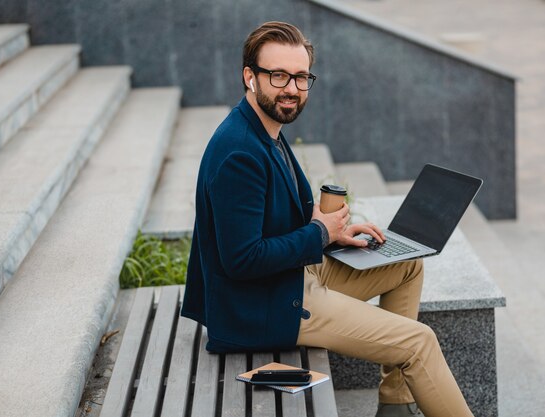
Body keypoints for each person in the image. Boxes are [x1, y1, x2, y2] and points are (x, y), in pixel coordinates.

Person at [181, 21, 474, 417]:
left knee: (407, 265)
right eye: (278, 75)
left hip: (289, 278)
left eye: (301, 77)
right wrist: (319, 231)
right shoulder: (239, 153)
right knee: (419, 341)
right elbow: (242, 259)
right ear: (249, 77)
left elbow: (268, 218)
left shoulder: (264, 128)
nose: (291, 89)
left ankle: (395, 405)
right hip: (262, 307)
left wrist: (335, 233)